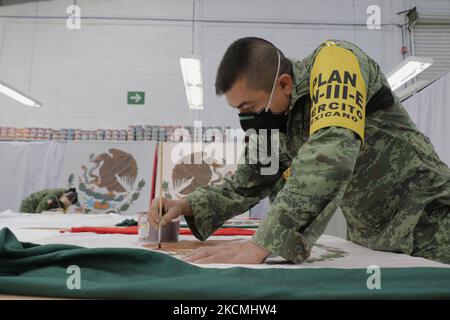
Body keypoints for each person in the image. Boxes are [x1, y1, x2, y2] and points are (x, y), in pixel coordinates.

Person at [149, 37, 450, 264]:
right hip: (373, 238)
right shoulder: (270, 120)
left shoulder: (335, 62)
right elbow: (251, 180)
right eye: (238, 110)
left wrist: (260, 244)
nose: (246, 117)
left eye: (249, 106)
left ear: (284, 84)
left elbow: (329, 153)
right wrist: (187, 205)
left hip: (429, 222)